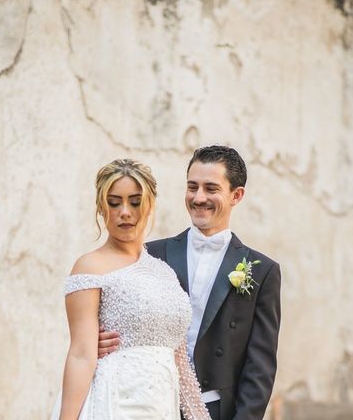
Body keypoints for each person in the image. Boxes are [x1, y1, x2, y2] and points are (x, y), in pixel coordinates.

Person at [98, 146, 282, 419]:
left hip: (214, 409)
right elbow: (115, 317)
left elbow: (260, 366)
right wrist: (97, 342)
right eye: (192, 187)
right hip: (151, 401)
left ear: (236, 195)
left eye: (211, 188)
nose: (198, 198)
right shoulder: (150, 254)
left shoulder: (262, 271)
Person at [51, 159, 210, 420]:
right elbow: (81, 353)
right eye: (114, 202)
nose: (125, 211)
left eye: (135, 202)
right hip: (113, 403)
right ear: (102, 208)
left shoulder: (165, 273)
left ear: (149, 205)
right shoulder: (90, 266)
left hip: (160, 408)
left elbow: (180, 363)